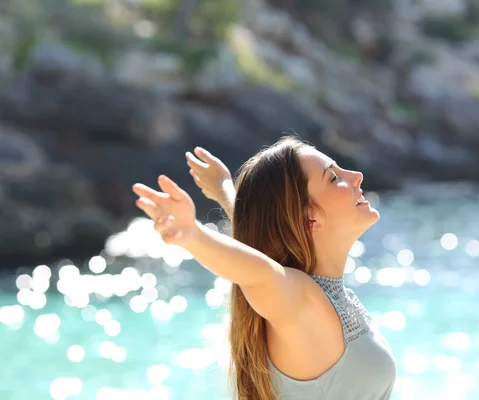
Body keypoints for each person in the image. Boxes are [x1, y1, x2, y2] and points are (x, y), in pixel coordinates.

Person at [132, 136, 397, 400]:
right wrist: (193, 236)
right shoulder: (303, 301)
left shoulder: (319, 297)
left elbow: (263, 240)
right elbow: (260, 274)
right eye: (333, 177)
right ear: (308, 218)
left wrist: (224, 190)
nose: (356, 176)